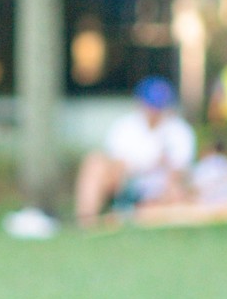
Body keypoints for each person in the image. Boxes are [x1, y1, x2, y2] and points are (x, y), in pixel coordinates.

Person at [74, 76, 195, 226]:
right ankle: (87, 221)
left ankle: (140, 214)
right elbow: (117, 167)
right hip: (130, 185)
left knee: (175, 191)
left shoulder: (179, 130)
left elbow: (179, 172)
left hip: (160, 188)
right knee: (94, 162)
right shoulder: (125, 126)